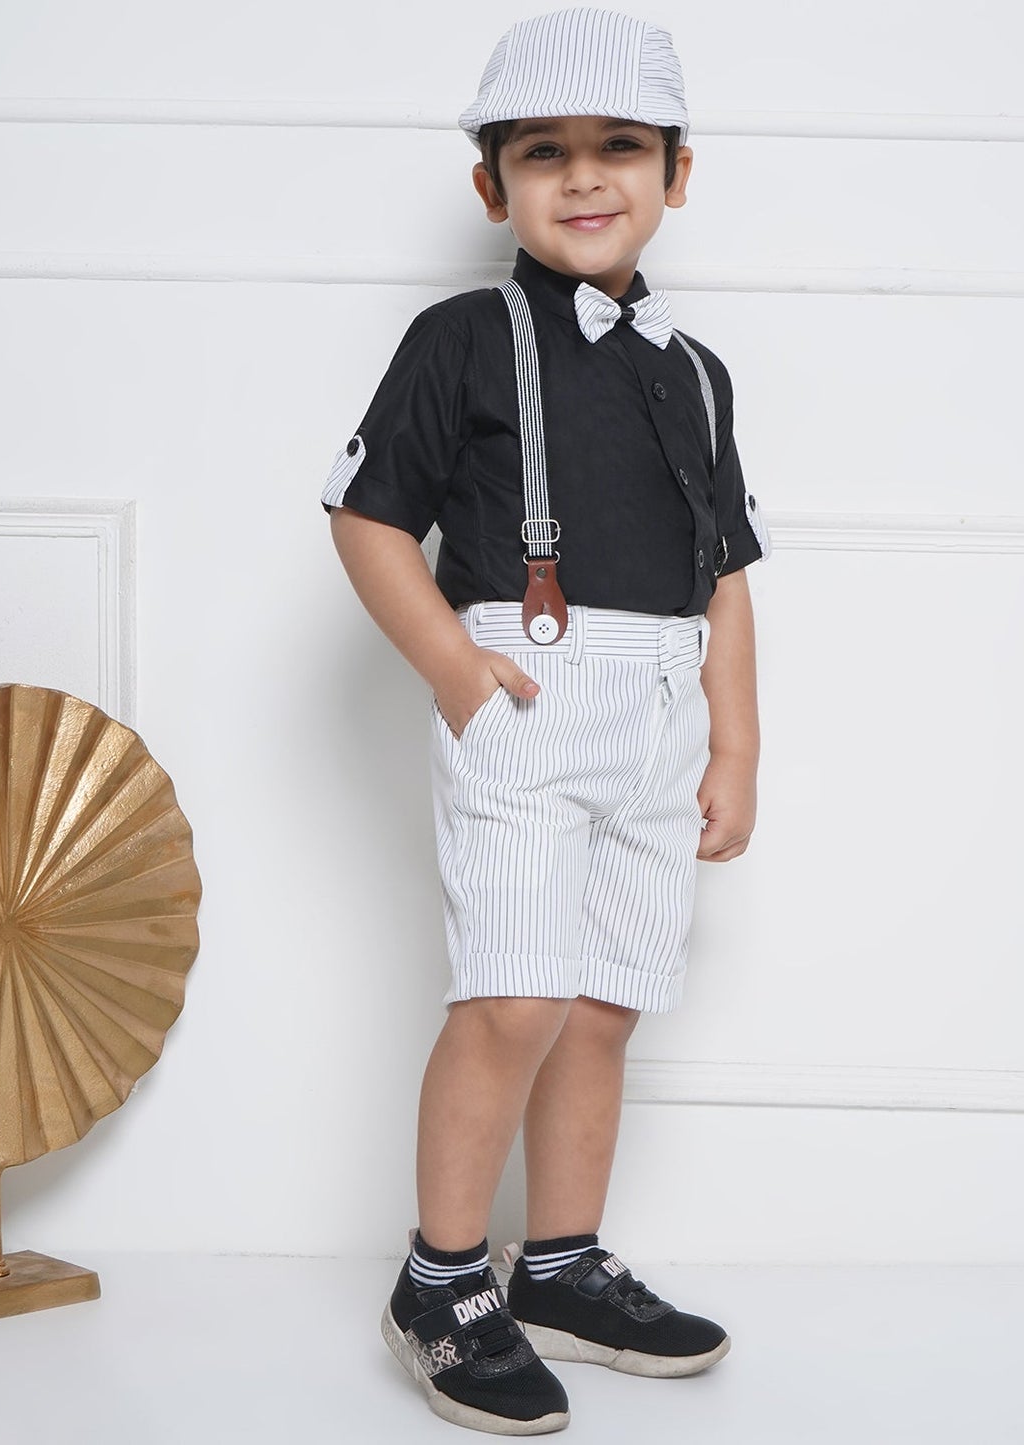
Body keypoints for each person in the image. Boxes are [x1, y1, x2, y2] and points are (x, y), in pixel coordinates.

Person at [322, 8, 769, 1434]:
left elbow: (725, 574)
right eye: (543, 152)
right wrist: (459, 673)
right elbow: (366, 520)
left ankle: (562, 1264)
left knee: (602, 1000)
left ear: (677, 174)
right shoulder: (460, 338)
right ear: (490, 184)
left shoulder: (696, 370)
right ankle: (442, 1278)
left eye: (620, 147)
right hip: (525, 694)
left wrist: (735, 745)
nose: (584, 177)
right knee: (512, 993)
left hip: (660, 714)